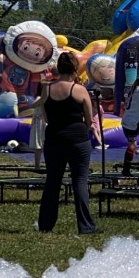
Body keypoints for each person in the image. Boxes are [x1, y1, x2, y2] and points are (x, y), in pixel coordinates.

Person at [36, 52, 102, 235]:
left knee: (52, 182)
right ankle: (86, 226)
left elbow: (46, 117)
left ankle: (46, 225)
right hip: (77, 140)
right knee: (80, 182)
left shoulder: (47, 89)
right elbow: (89, 120)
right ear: (74, 69)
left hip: (54, 139)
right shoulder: (79, 90)